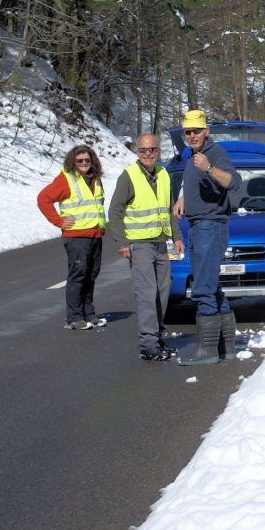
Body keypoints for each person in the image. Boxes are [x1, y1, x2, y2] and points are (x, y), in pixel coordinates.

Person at [172, 110, 241, 366]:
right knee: (212, 286)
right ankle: (227, 345)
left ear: (206, 131)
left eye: (196, 131)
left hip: (209, 227)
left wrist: (210, 168)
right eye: (188, 131)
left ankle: (208, 350)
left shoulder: (214, 154)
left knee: (202, 288)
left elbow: (234, 182)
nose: (192, 135)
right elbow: (196, 184)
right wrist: (183, 199)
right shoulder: (193, 156)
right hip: (201, 225)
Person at [108, 134, 183, 361]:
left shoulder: (163, 174)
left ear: (158, 151)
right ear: (137, 152)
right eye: (143, 150)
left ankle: (159, 338)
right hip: (139, 245)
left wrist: (176, 236)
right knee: (147, 294)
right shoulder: (128, 177)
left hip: (161, 243)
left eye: (152, 150)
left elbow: (169, 209)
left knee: (162, 292)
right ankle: (148, 345)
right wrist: (122, 243)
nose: (147, 154)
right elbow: (115, 212)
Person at [37, 145, 107, 330]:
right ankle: (75, 318)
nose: (84, 163)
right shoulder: (66, 179)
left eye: (87, 160)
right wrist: (58, 221)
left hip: (95, 234)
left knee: (91, 275)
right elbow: (43, 198)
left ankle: (89, 314)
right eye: (80, 161)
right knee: (78, 276)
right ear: (73, 162)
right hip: (77, 237)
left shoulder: (96, 180)